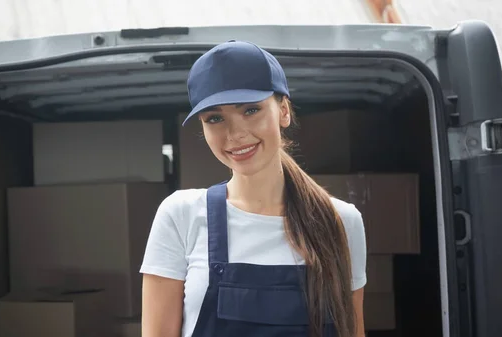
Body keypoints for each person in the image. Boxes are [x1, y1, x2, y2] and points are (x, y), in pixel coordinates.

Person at [140, 40, 367, 337]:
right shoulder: (180, 216)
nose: (235, 134)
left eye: (251, 110)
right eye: (216, 118)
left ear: (283, 111)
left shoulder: (340, 221)